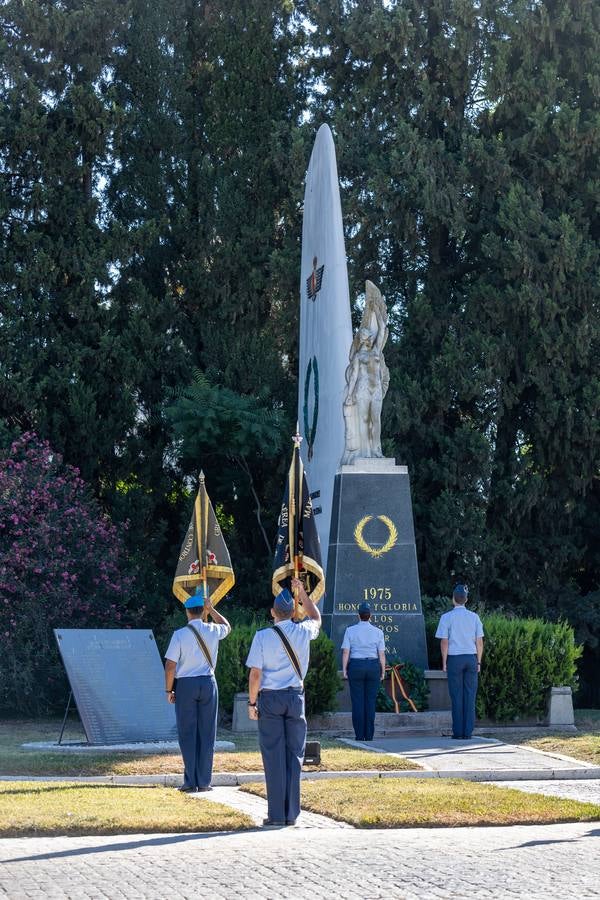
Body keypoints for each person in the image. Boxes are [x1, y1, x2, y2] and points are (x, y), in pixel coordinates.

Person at [246, 578, 321, 827]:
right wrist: (303, 594)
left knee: (273, 755)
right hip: (294, 698)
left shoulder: (262, 636)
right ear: (294, 611)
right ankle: (292, 815)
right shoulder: (303, 630)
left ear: (272, 613)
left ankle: (276, 814)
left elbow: (255, 674)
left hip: (270, 699)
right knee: (294, 756)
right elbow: (317, 618)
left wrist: (252, 703)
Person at [164, 589, 231, 792]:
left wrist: (169, 690)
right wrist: (213, 610)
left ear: (187, 612)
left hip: (186, 685)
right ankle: (204, 781)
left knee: (187, 732)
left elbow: (170, 665)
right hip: (208, 683)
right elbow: (227, 627)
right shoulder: (212, 629)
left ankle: (190, 781)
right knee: (207, 733)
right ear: (203, 611)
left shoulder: (179, 635)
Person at [435, 584, 484, 740]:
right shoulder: (474, 617)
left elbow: (444, 641)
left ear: (453, 599)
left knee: (456, 696)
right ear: (466, 600)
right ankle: (468, 732)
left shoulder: (446, 617)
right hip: (471, 658)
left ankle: (458, 732)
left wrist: (444, 662)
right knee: (470, 695)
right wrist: (479, 662)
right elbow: (479, 642)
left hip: (455, 659)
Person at [341, 601, 386, 741]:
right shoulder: (378, 632)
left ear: (358, 615)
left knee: (358, 702)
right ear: (370, 615)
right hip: (373, 666)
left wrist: (344, 669)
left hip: (356, 666)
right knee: (370, 702)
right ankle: (369, 735)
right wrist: (383, 671)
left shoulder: (350, 630)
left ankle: (359, 736)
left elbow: (346, 652)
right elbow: (382, 654)